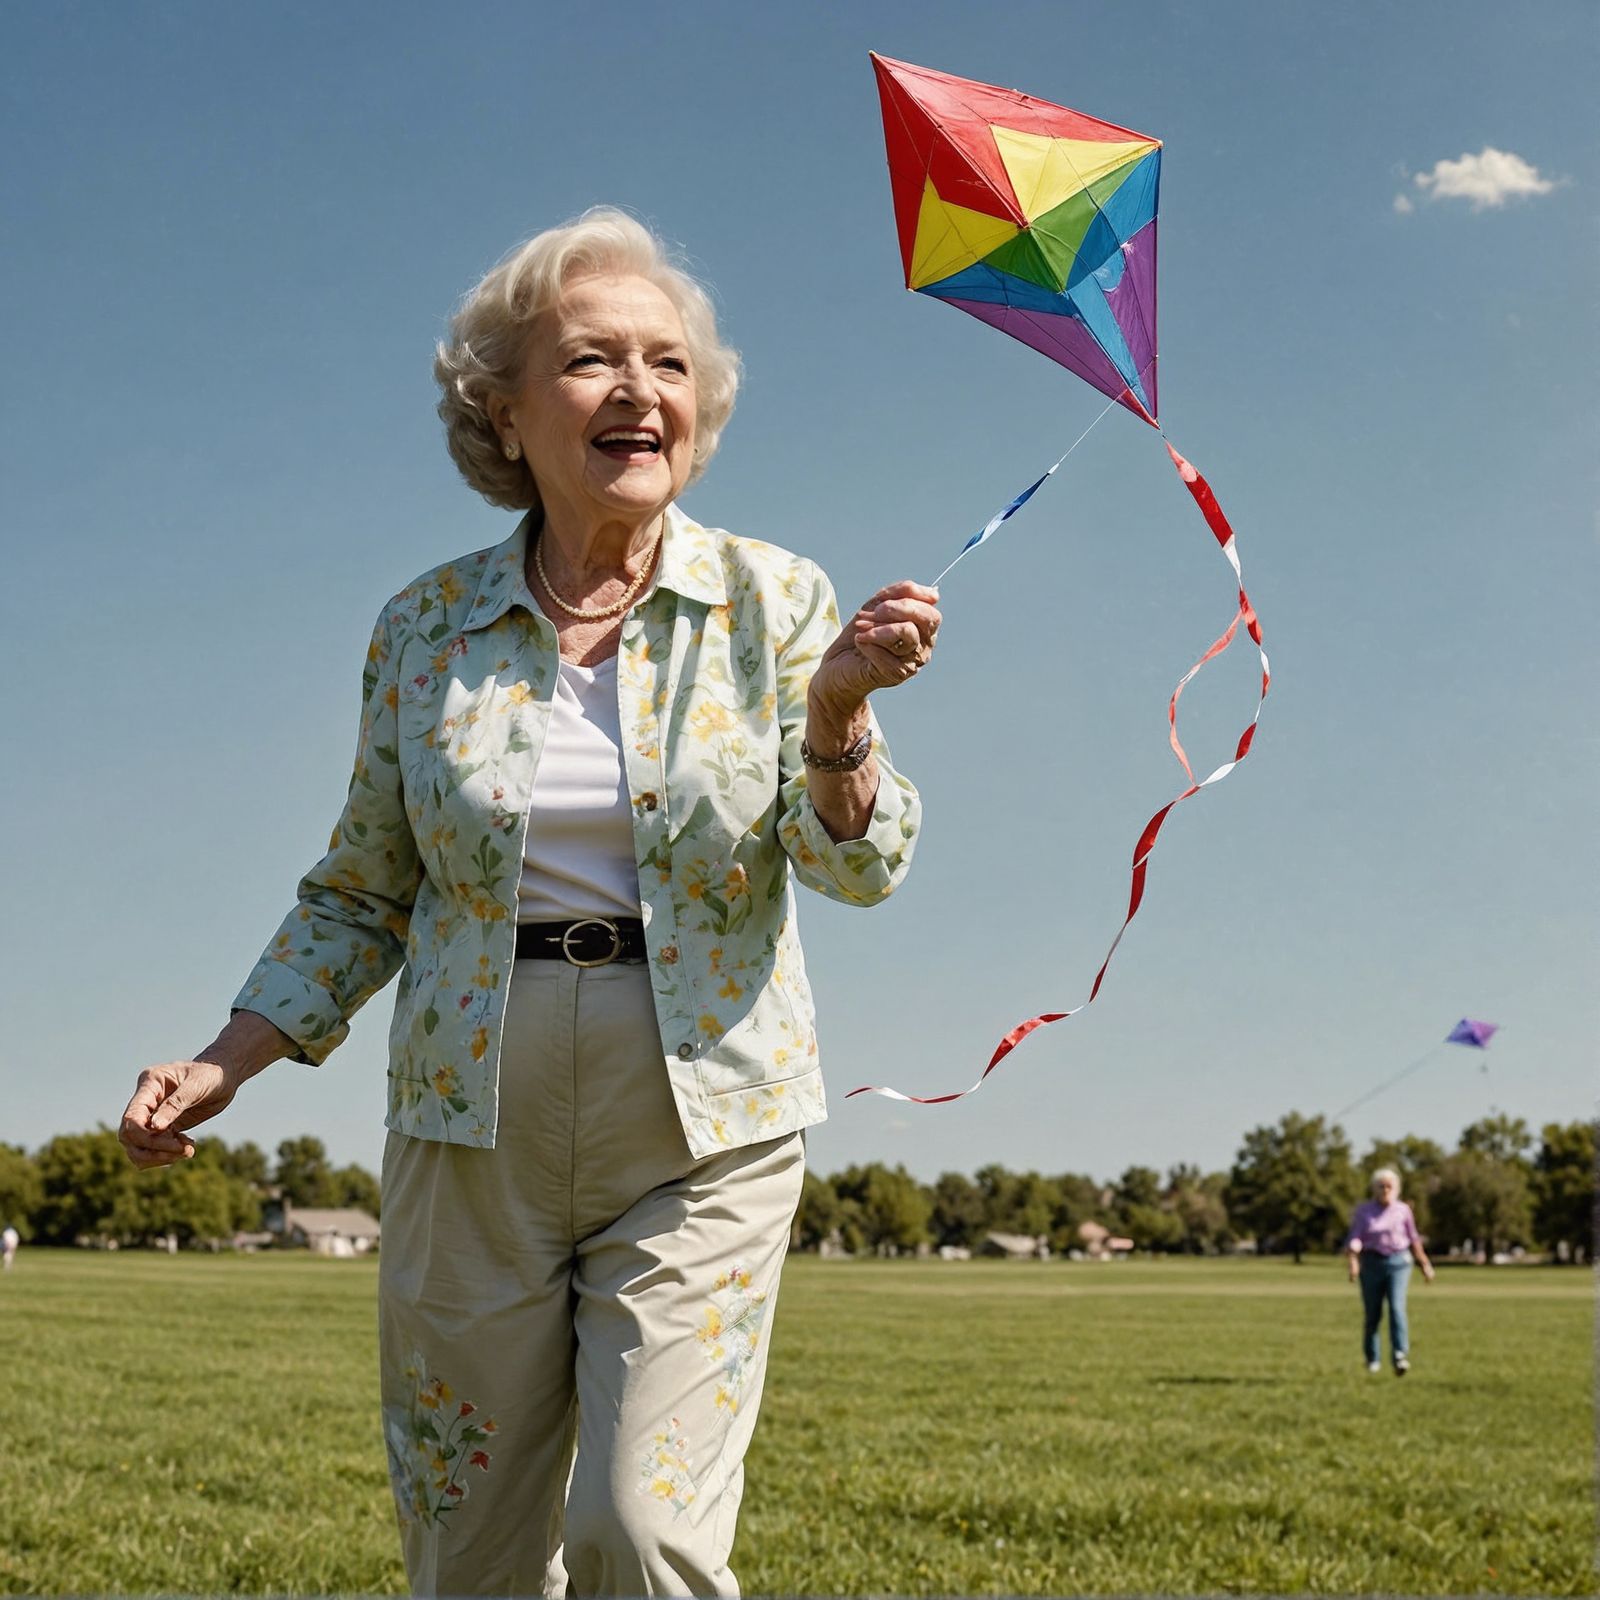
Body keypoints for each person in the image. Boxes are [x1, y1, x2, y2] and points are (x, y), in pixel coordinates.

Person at [118, 207, 939, 1597]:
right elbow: (363, 888)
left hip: (706, 1109)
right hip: (468, 1107)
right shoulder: (421, 630)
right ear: (504, 416)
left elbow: (860, 865)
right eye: (592, 362)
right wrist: (227, 1057)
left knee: (643, 1527)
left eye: (669, 365)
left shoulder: (776, 600)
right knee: (469, 1540)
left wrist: (838, 717)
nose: (640, 392)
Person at [1344, 1167, 1434, 1375]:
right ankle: (1372, 1358)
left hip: (1399, 1262)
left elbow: (1414, 1239)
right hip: (1371, 1262)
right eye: (1381, 1186)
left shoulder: (1403, 1210)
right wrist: (1353, 1260)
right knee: (1373, 1313)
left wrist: (1425, 1265)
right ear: (1374, 1189)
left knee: (1396, 1307)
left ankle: (1400, 1355)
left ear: (1396, 1189)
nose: (1385, 1190)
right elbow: (1355, 1237)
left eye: (1389, 1186)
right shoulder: (1364, 1211)